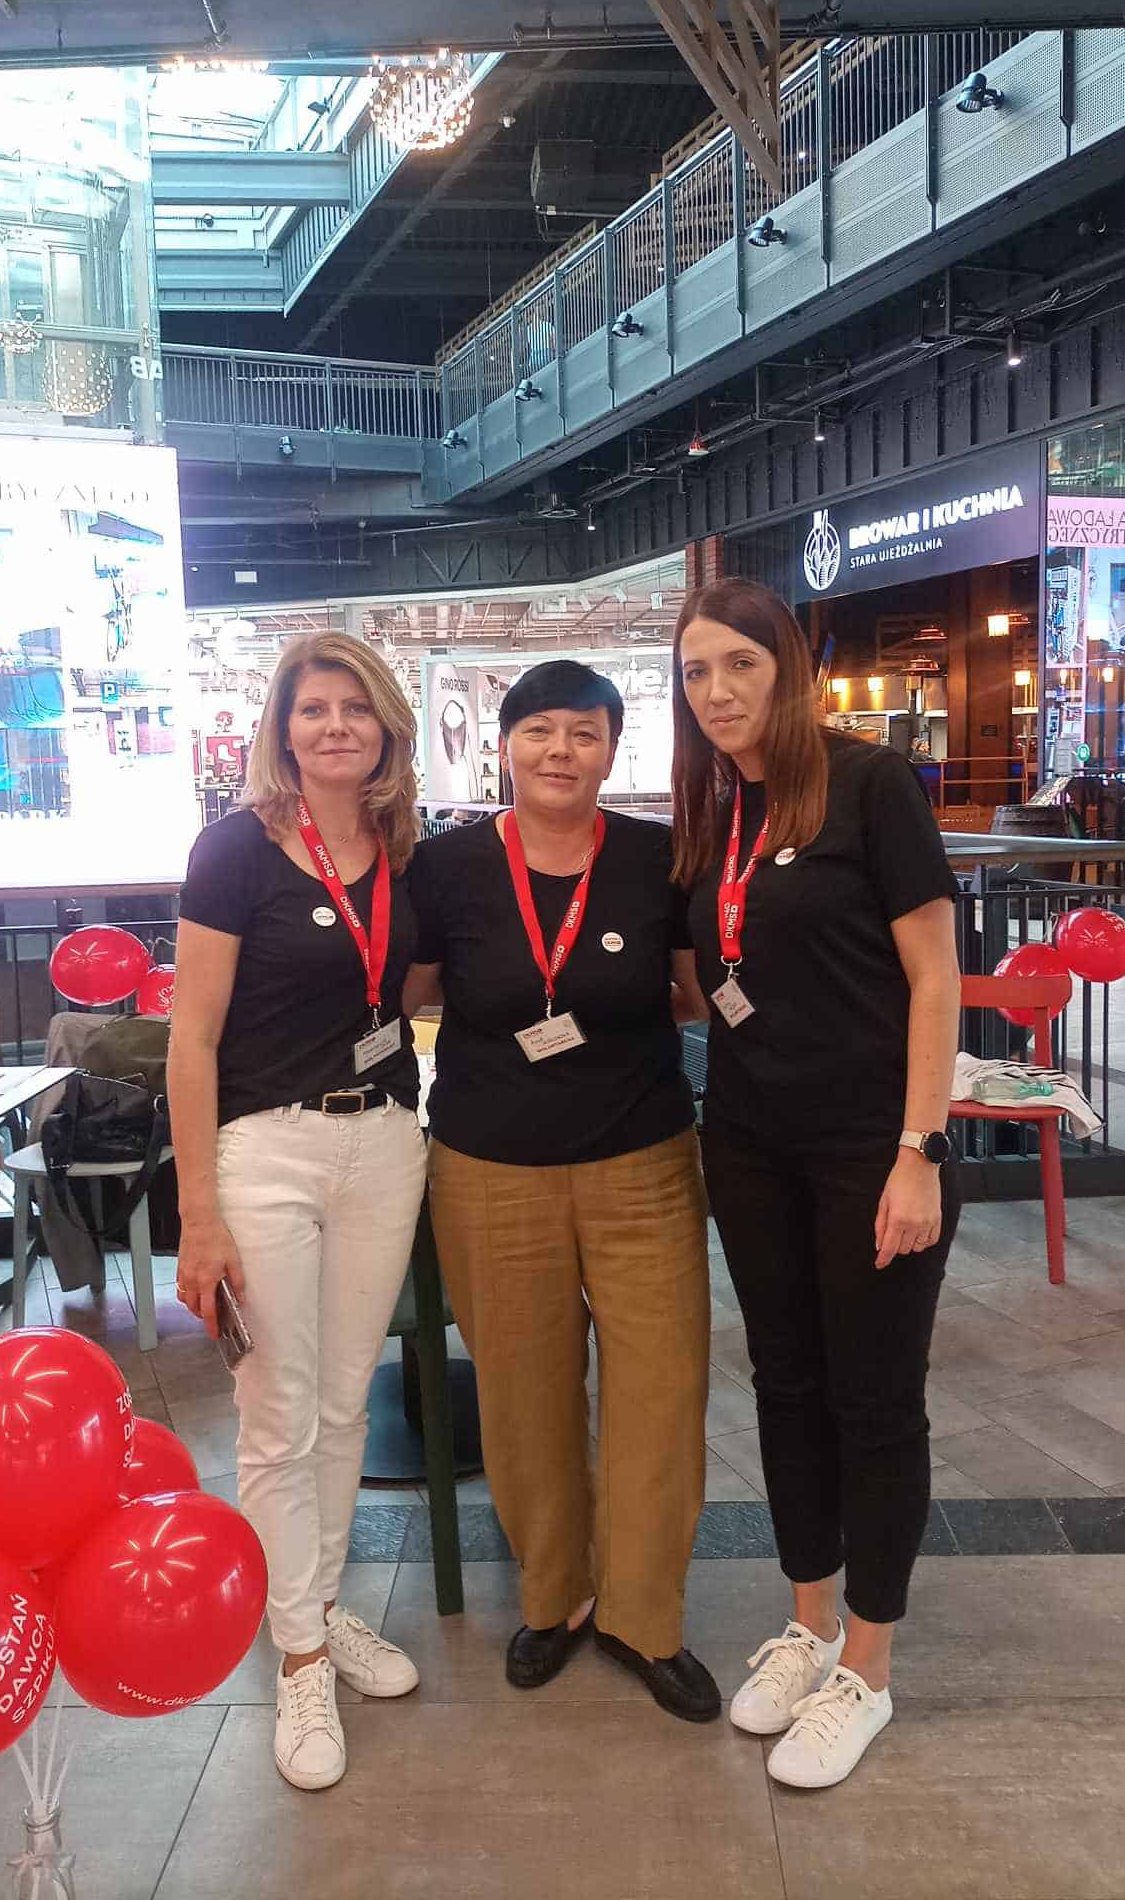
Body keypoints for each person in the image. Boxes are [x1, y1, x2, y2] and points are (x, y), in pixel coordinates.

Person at [671, 579, 962, 1790]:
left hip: (869, 1149)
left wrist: (919, 1148)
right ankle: (808, 1620)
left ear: (787, 668)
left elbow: (936, 976)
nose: (718, 690)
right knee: (786, 1384)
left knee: (873, 1399)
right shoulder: (716, 811)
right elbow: (709, 977)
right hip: (749, 1145)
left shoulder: (871, 783)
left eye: (740, 662)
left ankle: (868, 1669)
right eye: (697, 671)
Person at [405, 659, 719, 1721]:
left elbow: (691, 993)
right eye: (539, 730)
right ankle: (557, 1596)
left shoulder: (656, 857)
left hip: (643, 1161)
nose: (560, 751)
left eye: (585, 733)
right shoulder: (446, 867)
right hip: (489, 1168)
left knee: (661, 1389)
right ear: (504, 746)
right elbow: (410, 995)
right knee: (523, 1393)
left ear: (612, 750)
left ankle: (643, 1615)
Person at [170, 631, 428, 1794]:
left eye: (354, 708)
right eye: (313, 708)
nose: (335, 726)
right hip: (264, 1149)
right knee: (275, 1411)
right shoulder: (234, 850)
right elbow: (191, 1039)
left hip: (383, 1143)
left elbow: (405, 994)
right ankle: (302, 1654)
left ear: (385, 728)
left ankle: (317, 1603)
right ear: (282, 727)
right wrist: (199, 1212)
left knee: (342, 1401)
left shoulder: (403, 848)